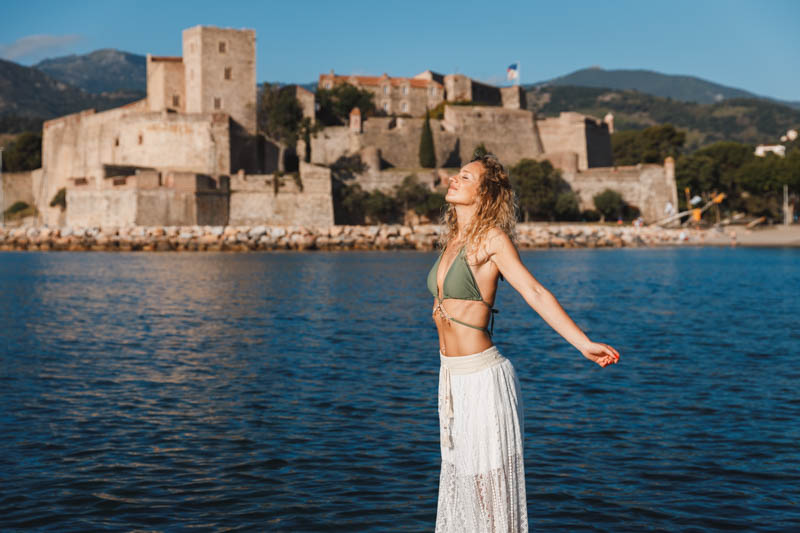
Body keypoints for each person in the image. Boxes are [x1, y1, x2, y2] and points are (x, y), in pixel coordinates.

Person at [427, 154, 620, 532]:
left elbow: (534, 292)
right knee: (462, 481)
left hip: (483, 381)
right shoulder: (453, 240)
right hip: (451, 379)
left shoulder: (491, 239)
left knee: (487, 489)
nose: (454, 179)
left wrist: (582, 344)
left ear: (484, 194)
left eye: (465, 177)